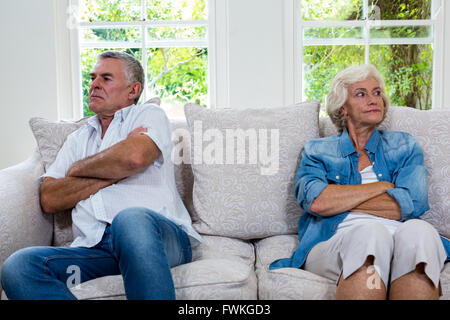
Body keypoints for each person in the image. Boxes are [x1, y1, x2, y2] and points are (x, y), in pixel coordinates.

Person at [1, 50, 202, 300]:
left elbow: (134, 157)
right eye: (93, 78)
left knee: (130, 219)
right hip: (95, 249)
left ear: (133, 90)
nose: (94, 84)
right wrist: (116, 169)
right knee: (19, 266)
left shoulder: (148, 116)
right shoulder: (77, 138)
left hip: (156, 240)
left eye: (106, 78)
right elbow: (50, 198)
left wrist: (77, 171)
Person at [270, 64, 450, 299]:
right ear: (343, 108)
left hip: (399, 238)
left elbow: (413, 202)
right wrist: (382, 187)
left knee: (421, 230)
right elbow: (316, 202)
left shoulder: (404, 145)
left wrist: (338, 198)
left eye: (377, 93)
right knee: (371, 232)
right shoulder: (317, 150)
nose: (374, 99)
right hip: (336, 240)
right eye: (361, 94)